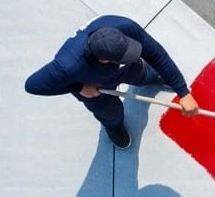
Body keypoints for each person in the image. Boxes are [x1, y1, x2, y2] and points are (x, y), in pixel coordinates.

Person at [25, 14, 200, 149]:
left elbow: (156, 55)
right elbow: (33, 85)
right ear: (103, 60)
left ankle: (153, 76)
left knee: (144, 73)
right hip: (96, 88)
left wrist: (182, 92)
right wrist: (79, 86)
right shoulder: (68, 65)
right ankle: (114, 126)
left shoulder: (124, 26)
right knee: (110, 113)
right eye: (124, 55)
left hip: (126, 70)